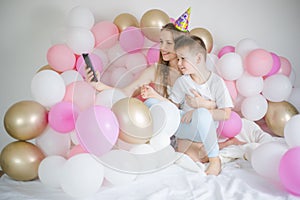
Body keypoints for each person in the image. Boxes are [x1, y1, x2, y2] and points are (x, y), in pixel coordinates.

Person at [141, 35, 233, 175]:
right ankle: (155, 147)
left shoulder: (216, 82)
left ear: (198, 58)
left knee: (202, 115)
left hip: (203, 127)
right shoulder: (182, 81)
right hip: (184, 126)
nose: (179, 63)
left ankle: (215, 160)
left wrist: (200, 109)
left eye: (183, 58)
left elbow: (226, 113)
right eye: (178, 59)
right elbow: (172, 108)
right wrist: (155, 96)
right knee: (150, 104)